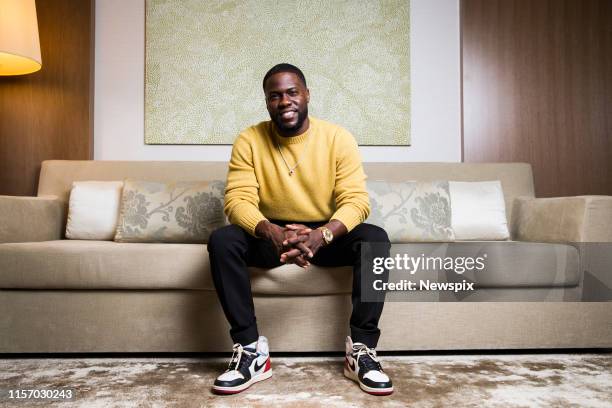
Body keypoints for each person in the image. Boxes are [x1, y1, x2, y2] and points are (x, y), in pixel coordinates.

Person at [208, 63, 392, 396]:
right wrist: (270, 231)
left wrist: (322, 234)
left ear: (306, 94)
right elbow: (237, 201)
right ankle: (251, 352)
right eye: (275, 95)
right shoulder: (250, 139)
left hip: (325, 234)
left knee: (375, 239)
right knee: (223, 240)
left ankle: (362, 352)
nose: (284, 101)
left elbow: (357, 201)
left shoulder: (337, 138)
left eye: (292, 92)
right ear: (267, 102)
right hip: (270, 234)